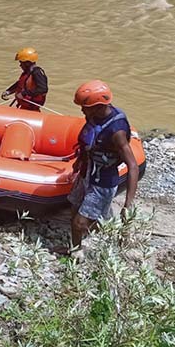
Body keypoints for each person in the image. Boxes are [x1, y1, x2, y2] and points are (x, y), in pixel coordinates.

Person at [67, 80, 139, 256]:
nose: (82, 110)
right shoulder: (94, 116)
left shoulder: (117, 132)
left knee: (79, 223)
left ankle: (76, 255)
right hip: (87, 172)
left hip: (103, 181)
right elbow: (88, 143)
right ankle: (81, 242)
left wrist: (128, 203)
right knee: (75, 210)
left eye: (85, 107)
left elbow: (133, 166)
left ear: (99, 106)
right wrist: (79, 163)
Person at [1, 47, 48, 111]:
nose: (20, 65)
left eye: (21, 63)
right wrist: (8, 91)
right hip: (24, 107)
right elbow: (20, 84)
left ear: (27, 63)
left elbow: (43, 89)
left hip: (31, 109)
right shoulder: (27, 73)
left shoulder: (37, 72)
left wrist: (24, 93)